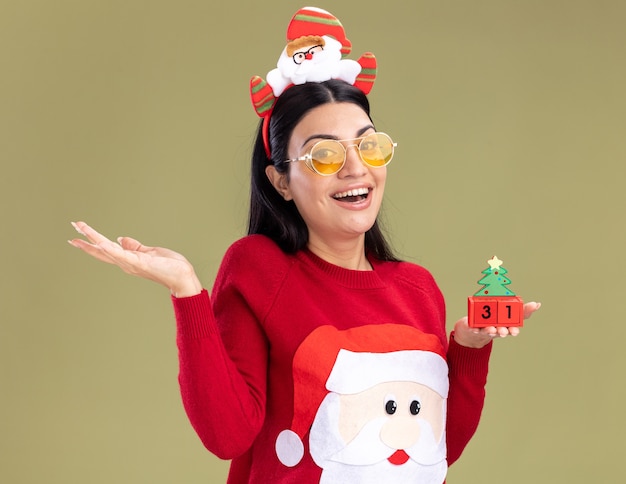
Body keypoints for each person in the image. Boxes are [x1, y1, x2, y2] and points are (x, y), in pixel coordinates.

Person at [68, 7, 540, 484]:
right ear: (282, 182)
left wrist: (471, 347)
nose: (356, 169)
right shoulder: (259, 270)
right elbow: (227, 435)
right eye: (325, 154)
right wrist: (188, 292)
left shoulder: (417, 289)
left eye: (368, 146)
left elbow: (434, 450)